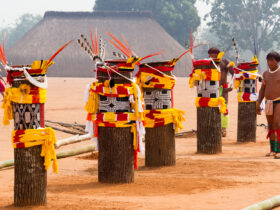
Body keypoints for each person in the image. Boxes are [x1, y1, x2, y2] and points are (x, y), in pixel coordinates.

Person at [257, 51, 280, 158]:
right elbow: (262, 89)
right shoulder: (265, 74)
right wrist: (258, 102)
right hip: (268, 102)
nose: (270, 62)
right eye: (268, 60)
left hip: (278, 101)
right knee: (270, 126)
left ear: (278, 61)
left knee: (277, 124)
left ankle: (279, 150)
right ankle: (273, 149)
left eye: (272, 60)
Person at [208, 47, 234, 137]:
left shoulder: (225, 62)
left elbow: (234, 73)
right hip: (210, 89)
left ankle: (223, 129)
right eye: (210, 54)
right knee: (212, 106)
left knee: (224, 107)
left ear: (218, 54)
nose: (211, 56)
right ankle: (212, 127)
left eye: (213, 54)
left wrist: (231, 85)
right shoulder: (208, 63)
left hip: (223, 88)